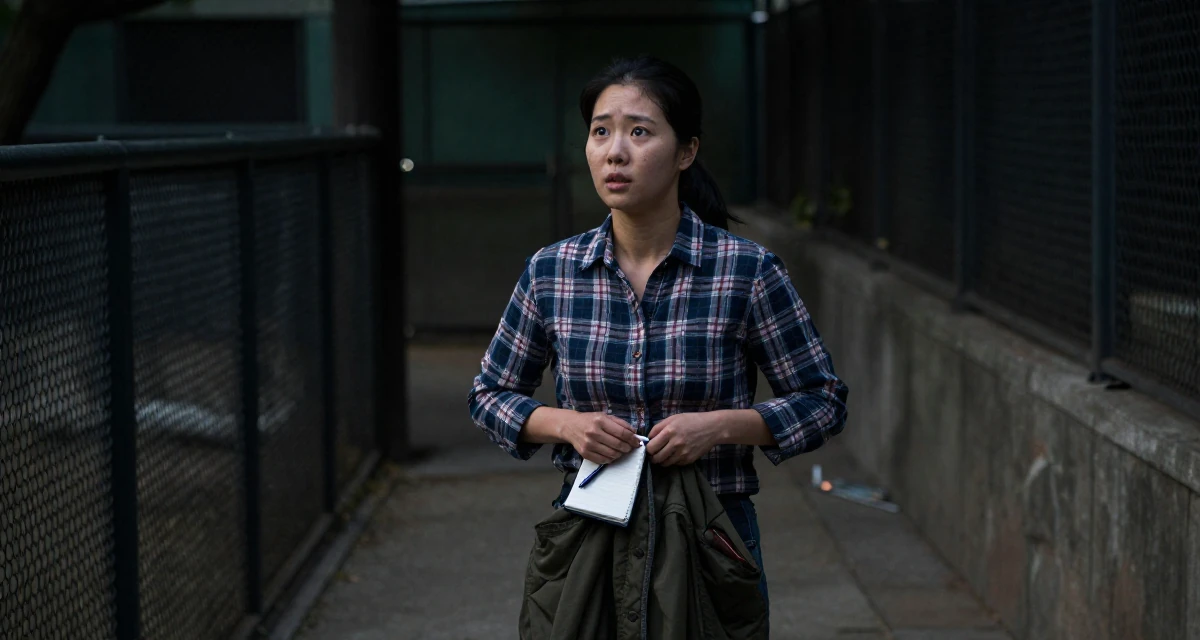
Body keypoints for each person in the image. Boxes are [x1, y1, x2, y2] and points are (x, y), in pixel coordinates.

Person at [467, 55, 849, 626]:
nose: (615, 152)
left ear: (686, 151)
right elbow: (489, 395)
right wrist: (568, 425)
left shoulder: (745, 271)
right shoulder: (553, 272)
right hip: (587, 535)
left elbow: (823, 400)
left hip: (711, 537)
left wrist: (719, 427)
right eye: (601, 132)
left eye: (639, 132)